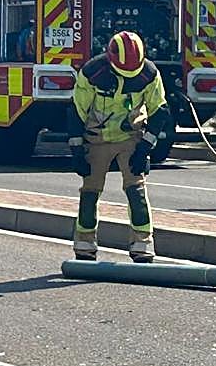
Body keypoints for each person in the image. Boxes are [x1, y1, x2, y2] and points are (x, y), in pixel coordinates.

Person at [67, 31, 169, 263]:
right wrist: (76, 150)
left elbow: (159, 111)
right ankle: (84, 243)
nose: (130, 79)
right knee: (90, 190)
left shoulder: (149, 74)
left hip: (130, 137)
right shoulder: (93, 73)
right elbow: (77, 111)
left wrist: (144, 148)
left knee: (136, 189)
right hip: (97, 138)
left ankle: (142, 243)